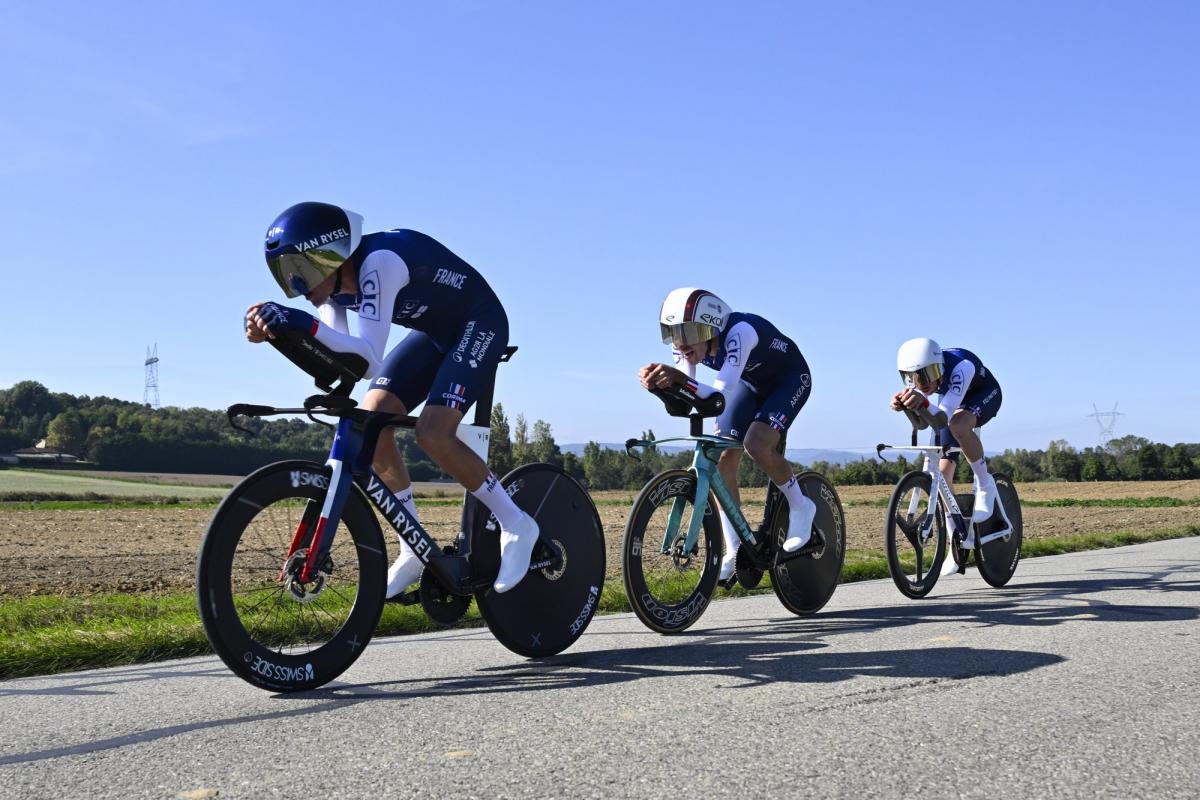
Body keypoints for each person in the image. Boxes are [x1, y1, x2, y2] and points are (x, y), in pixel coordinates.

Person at [244, 201, 538, 595]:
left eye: (301, 272)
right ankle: (413, 549)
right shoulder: (335, 289)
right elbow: (339, 356)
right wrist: (280, 334)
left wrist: (300, 323)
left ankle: (517, 523)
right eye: (287, 277)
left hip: (478, 323)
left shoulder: (378, 263)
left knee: (434, 433)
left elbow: (367, 358)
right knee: (371, 424)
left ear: (328, 256)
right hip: (434, 335)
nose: (298, 287)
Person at [639, 288, 817, 583]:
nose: (679, 342)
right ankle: (734, 549)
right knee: (722, 458)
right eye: (672, 332)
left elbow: (719, 394)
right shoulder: (684, 347)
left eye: (687, 331)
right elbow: (691, 394)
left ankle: (801, 505)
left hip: (788, 380)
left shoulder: (739, 332)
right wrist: (662, 386)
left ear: (710, 326)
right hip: (750, 384)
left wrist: (680, 379)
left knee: (757, 444)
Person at [891, 337, 1003, 562]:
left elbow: (942, 417)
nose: (921, 384)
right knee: (941, 473)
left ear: (939, 367)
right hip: (951, 403)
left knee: (958, 426)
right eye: (913, 378)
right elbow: (924, 423)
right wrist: (904, 406)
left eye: (928, 375)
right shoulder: (919, 381)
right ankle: (957, 538)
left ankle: (985, 485)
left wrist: (921, 403)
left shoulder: (962, 367)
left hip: (983, 394)